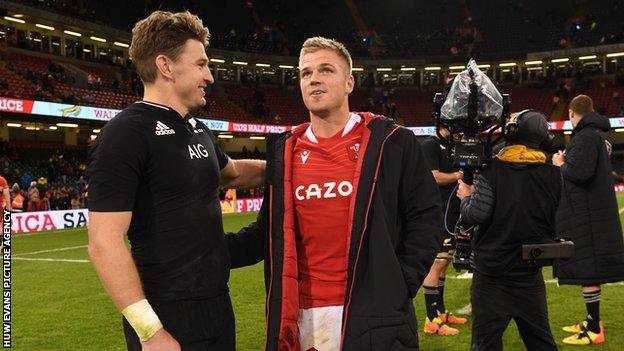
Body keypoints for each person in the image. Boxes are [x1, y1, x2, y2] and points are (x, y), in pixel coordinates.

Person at [226, 37, 442, 350]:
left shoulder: (393, 143)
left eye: (326, 70)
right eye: (305, 73)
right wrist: (205, 250)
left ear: (349, 82)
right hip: (301, 319)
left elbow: (426, 219)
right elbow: (267, 233)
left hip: (374, 315)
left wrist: (398, 286)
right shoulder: (284, 152)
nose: (313, 78)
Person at [87, 11, 265, 351]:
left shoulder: (197, 128)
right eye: (200, 65)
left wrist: (294, 165)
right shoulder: (125, 134)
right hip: (166, 312)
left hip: (217, 304)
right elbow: (103, 242)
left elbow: (235, 174)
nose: (209, 76)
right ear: (166, 66)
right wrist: (150, 331)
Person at [457, 110, 560, 351]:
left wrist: (466, 197)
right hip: (529, 272)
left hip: (493, 274)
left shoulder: (493, 170)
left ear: (512, 133)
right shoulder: (553, 174)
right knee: (541, 342)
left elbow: (475, 215)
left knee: (486, 344)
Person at [552, 94, 624, 346]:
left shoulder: (585, 136)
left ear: (572, 113)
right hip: (595, 212)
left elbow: (579, 173)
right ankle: (592, 320)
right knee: (589, 270)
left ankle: (594, 329)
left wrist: (561, 162)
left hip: (588, 215)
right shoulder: (600, 135)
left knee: (588, 270)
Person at [420, 125, 467, 336]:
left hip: (451, 215)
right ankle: (431, 319)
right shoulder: (430, 145)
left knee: (444, 263)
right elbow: (433, 177)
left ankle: (440, 311)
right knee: (437, 263)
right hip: (437, 214)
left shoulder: (451, 146)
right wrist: (459, 174)